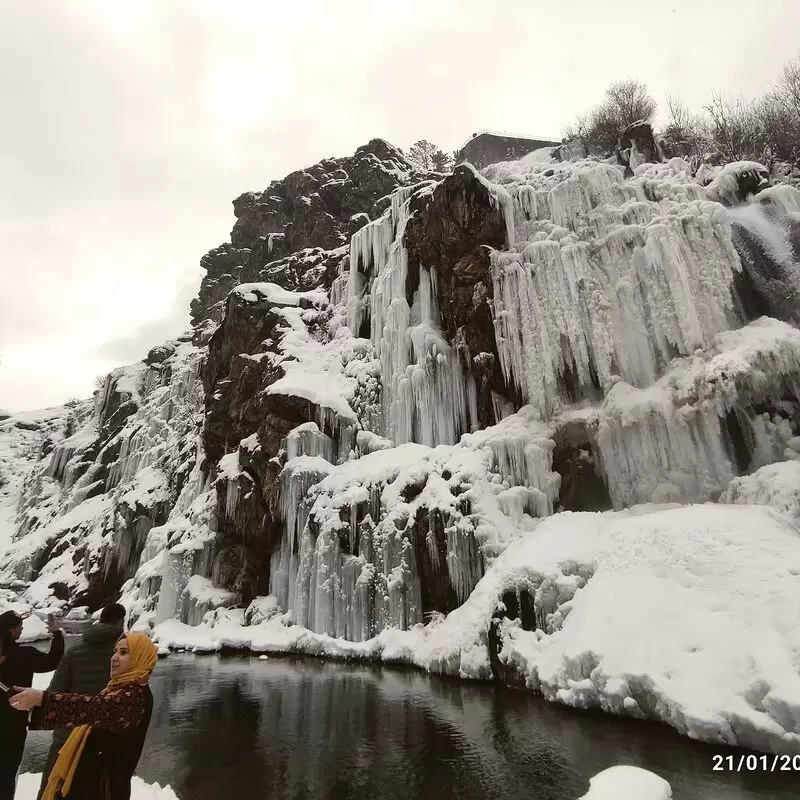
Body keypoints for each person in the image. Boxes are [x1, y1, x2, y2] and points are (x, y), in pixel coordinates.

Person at [10, 632, 158, 800]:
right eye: (115, 652)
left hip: (104, 791)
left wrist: (42, 699)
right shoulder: (117, 689)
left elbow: (92, 708)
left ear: (141, 657)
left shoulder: (135, 696)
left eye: (124, 653)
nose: (114, 658)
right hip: (92, 786)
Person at [36, 603, 128, 800]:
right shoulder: (125, 657)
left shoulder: (75, 652)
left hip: (67, 736)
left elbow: (54, 693)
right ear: (121, 621)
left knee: (55, 790)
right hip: (105, 739)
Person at [0, 610, 65, 800]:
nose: (21, 630)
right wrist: (57, 633)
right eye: (20, 627)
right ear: (12, 630)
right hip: (14, 724)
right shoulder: (24, 655)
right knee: (6, 774)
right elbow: (52, 661)